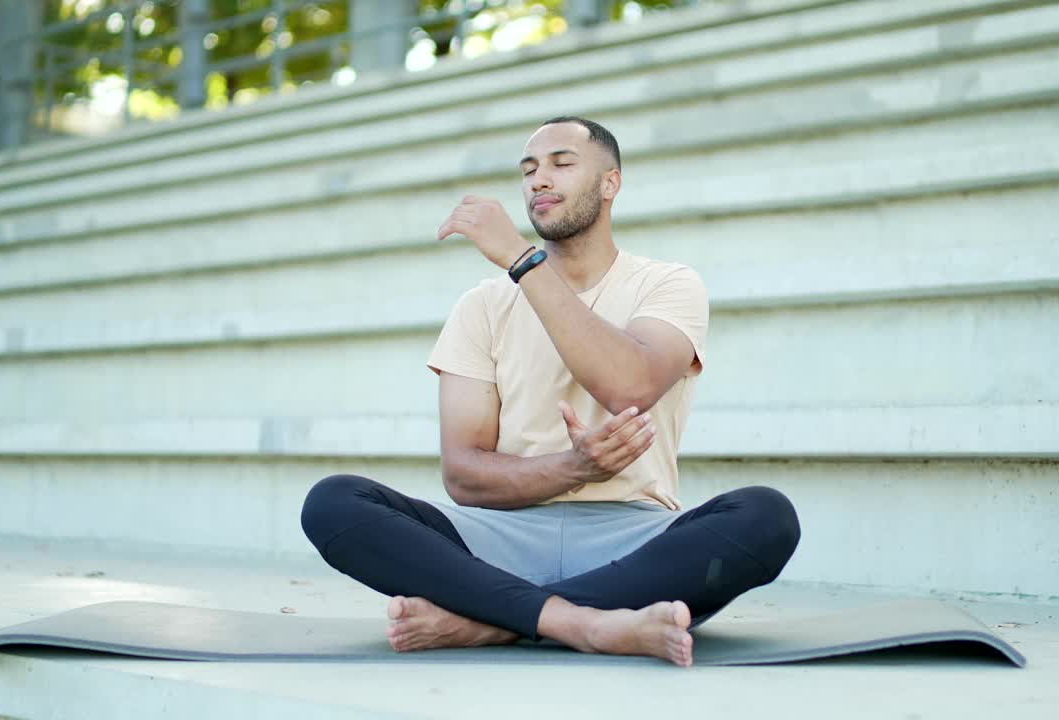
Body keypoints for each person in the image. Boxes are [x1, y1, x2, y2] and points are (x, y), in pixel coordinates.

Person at [300, 116, 800, 667]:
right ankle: (586, 624)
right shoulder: (482, 305)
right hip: (498, 541)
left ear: (610, 183)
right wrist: (574, 468)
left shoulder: (668, 283)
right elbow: (463, 475)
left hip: (633, 540)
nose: (539, 179)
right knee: (334, 503)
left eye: (562, 163)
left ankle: (491, 624)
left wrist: (522, 260)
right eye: (529, 170)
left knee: (766, 516)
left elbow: (627, 385)